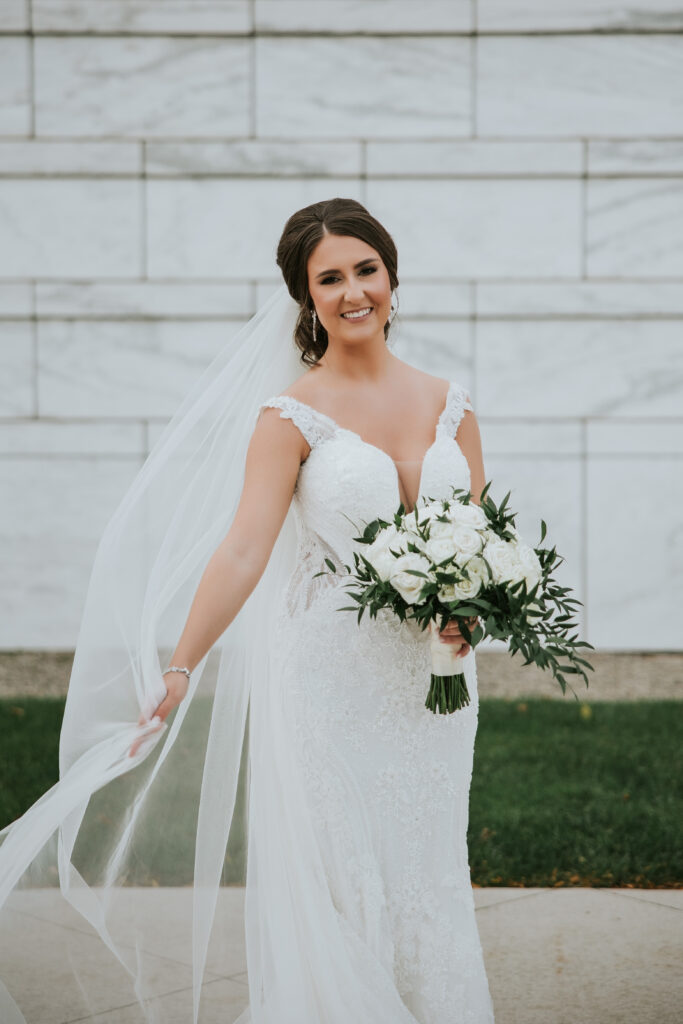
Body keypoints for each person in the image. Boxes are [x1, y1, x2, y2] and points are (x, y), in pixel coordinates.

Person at [0, 197, 495, 1024]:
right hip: (331, 677)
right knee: (344, 871)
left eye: (364, 270)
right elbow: (241, 550)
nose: (352, 292)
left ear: (392, 275)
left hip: (434, 681)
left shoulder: (453, 404)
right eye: (328, 278)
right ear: (306, 300)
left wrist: (469, 611)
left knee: (427, 861)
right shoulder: (290, 416)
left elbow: (478, 537)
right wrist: (181, 665)